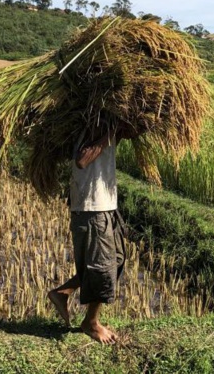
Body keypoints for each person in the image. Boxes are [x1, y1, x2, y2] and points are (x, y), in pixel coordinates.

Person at [47, 125, 135, 344]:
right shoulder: (88, 123)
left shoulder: (107, 125)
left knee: (117, 259)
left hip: (106, 204)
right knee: (102, 268)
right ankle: (91, 323)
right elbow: (82, 159)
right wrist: (111, 131)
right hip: (91, 207)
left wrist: (127, 127)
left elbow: (123, 136)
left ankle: (63, 292)